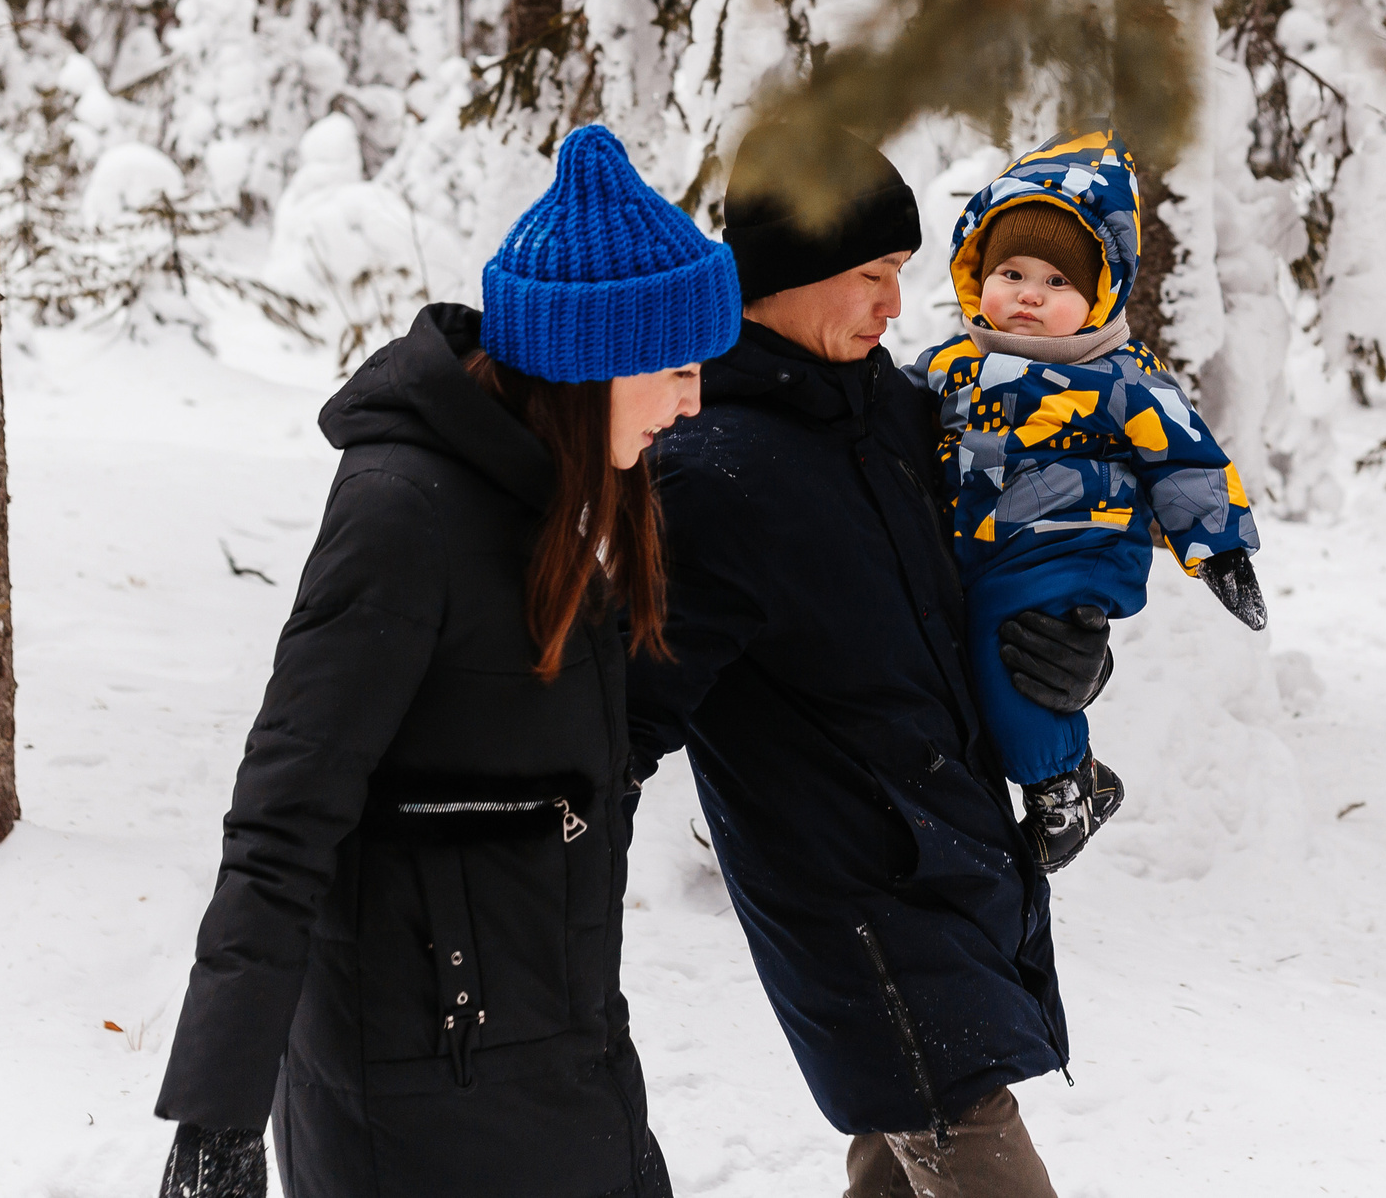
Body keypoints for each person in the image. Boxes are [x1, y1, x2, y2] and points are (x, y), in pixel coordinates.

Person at [152, 124, 739, 1198]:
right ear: (590, 365)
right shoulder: (405, 516)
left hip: (559, 1061)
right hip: (418, 1097)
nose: (693, 401)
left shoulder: (569, 501)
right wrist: (218, 1111)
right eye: (677, 369)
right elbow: (284, 812)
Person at [627, 121, 1111, 1198]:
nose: (896, 303)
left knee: (903, 1159)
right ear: (786, 272)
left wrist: (1072, 662)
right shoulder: (709, 474)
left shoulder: (898, 415)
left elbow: (991, 590)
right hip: (853, 906)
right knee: (958, 1127)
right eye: (872, 273)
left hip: (956, 857)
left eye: (900, 271)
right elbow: (619, 717)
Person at [919, 131, 1266, 871]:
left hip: (1073, 545)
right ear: (977, 274)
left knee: (1017, 659)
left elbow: (1186, 458)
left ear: (1100, 293)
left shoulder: (1120, 376)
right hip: (986, 548)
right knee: (966, 653)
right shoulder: (950, 367)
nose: (1029, 295)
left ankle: (1066, 784)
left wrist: (1221, 549)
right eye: (1011, 272)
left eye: (1057, 282)